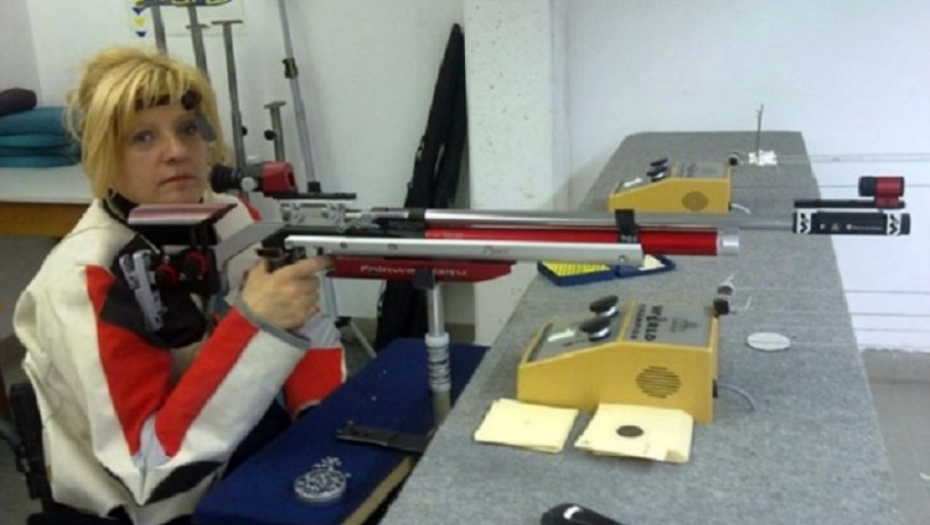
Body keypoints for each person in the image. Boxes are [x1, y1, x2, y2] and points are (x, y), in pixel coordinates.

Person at [12, 46, 346, 525]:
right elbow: (149, 472)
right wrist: (255, 324)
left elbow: (305, 321)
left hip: (226, 443)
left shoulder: (228, 216)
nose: (176, 151)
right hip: (148, 498)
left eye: (188, 129)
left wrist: (317, 420)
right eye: (143, 137)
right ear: (104, 155)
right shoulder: (85, 279)